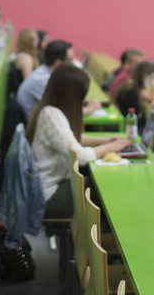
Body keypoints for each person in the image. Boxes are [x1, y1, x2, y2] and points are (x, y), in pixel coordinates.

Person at [26, 64, 131, 218]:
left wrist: (104, 141)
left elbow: (71, 139)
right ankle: (103, 236)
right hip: (50, 196)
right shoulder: (51, 115)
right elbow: (79, 156)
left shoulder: (51, 109)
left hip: (57, 184)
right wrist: (111, 146)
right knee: (107, 189)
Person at [17, 40, 90, 119]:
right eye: (70, 60)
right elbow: (64, 113)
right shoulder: (43, 80)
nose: (73, 64)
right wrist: (90, 109)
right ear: (58, 63)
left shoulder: (45, 72)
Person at [113, 61, 154, 132]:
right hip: (130, 127)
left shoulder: (129, 84)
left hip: (126, 122)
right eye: (150, 77)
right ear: (144, 75)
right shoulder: (132, 91)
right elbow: (153, 98)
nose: (150, 80)